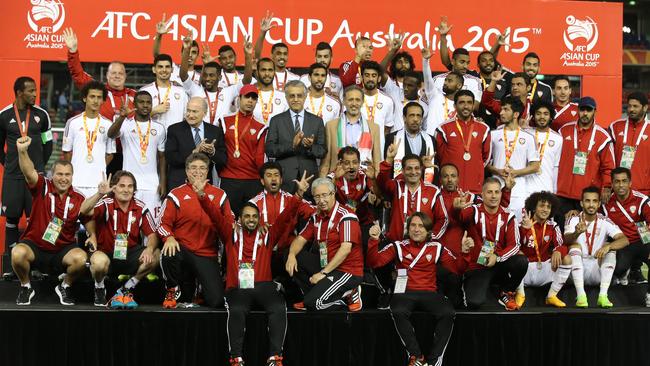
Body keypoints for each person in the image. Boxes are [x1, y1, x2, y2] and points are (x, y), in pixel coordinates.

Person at [202, 174, 309, 366]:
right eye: (247, 216)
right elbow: (215, 215)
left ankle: (275, 357)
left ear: (259, 219)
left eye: (254, 216)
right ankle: (236, 357)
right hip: (238, 289)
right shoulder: (230, 233)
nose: (251, 220)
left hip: (263, 287)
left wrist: (299, 194)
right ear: (240, 219)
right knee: (236, 309)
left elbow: (285, 217)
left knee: (278, 307)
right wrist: (202, 195)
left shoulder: (268, 234)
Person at [367, 213, 458, 366]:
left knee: (448, 312)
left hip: (429, 292)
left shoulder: (437, 247)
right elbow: (375, 262)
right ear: (407, 229)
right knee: (397, 310)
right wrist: (373, 241)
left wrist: (466, 253)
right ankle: (416, 356)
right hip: (405, 293)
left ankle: (435, 360)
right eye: (413, 225)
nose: (416, 229)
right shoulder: (398, 246)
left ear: (428, 231)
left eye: (421, 226)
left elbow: (457, 268)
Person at [11, 136, 90, 305]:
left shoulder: (78, 197)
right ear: (51, 175)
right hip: (35, 246)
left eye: (67, 174)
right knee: (17, 253)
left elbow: (87, 218)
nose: (63, 178)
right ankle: (26, 286)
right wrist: (22, 151)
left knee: (82, 259)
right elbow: (28, 171)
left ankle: (65, 286)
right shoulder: (43, 186)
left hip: (62, 250)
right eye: (59, 174)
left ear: (72, 176)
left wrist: (94, 235)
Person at [158, 153, 234, 308]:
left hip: (207, 253)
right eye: (193, 168)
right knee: (168, 250)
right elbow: (162, 223)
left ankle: (199, 289)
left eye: (202, 168)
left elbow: (229, 223)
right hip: (183, 249)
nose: (197, 171)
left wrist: (233, 226)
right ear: (186, 171)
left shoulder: (219, 195)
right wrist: (169, 238)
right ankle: (172, 288)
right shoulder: (176, 194)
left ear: (207, 171)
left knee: (216, 301)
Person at [80, 170, 159, 308]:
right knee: (98, 263)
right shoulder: (106, 202)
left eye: (130, 186)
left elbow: (152, 235)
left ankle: (128, 287)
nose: (126, 190)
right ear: (114, 188)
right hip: (106, 252)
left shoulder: (140, 207)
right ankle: (99, 287)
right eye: (122, 186)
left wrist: (149, 249)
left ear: (134, 189)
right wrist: (100, 194)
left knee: (157, 255)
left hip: (130, 253)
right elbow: (83, 210)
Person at [0, 77, 53, 275]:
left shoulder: (42, 115)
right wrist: (9, 165)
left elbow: (48, 143)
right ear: (19, 92)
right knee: (12, 219)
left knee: (36, 220)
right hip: (13, 177)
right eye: (31, 91)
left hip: (35, 177)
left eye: (35, 90)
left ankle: (36, 265)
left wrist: (39, 167)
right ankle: (12, 266)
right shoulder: (4, 115)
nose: (35, 94)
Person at [285, 178, 363, 311]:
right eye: (317, 196)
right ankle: (315, 294)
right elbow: (300, 239)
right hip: (326, 264)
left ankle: (349, 293)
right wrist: (291, 255)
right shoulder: (316, 216)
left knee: (313, 304)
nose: (321, 200)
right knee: (292, 256)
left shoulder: (346, 216)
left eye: (325, 195)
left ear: (333, 194)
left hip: (347, 270)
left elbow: (345, 249)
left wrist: (323, 273)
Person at [454, 177, 528, 310]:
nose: (493, 196)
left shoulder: (508, 216)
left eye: (497, 192)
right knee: (474, 302)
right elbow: (460, 217)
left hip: (499, 264)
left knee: (521, 261)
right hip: (478, 266)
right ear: (482, 194)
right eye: (489, 192)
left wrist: (497, 257)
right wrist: (457, 208)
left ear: (501, 194)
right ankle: (476, 286)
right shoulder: (474, 211)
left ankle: (505, 291)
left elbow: (515, 245)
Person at [564, 186, 628, 308]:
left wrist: (608, 247)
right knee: (574, 246)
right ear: (581, 203)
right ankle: (581, 295)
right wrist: (576, 233)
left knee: (610, 247)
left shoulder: (605, 220)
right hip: (576, 272)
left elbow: (624, 239)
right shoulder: (573, 219)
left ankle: (603, 296)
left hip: (596, 271)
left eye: (594, 201)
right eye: (587, 201)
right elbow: (565, 240)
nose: (591, 204)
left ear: (599, 204)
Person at [107, 91, 167, 218]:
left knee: (152, 225)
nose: (145, 105)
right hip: (129, 186)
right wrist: (122, 116)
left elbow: (162, 157)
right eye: (141, 102)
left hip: (152, 185)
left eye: (148, 102)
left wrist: (162, 182)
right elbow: (111, 134)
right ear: (134, 105)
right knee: (129, 222)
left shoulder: (160, 128)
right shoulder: (125, 125)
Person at [376, 140, 446, 242]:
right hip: (397, 246)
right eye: (409, 169)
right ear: (403, 171)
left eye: (417, 168)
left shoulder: (433, 191)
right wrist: (389, 160)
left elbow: (443, 218)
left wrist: (432, 236)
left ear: (421, 170)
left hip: (423, 248)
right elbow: (381, 182)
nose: (413, 172)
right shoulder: (396, 186)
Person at [556, 97, 614, 217]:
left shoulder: (603, 137)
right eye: (582, 110)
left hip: (587, 196)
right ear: (578, 110)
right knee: (562, 230)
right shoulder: (564, 130)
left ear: (595, 112)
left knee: (584, 232)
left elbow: (608, 167)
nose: (585, 113)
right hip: (562, 193)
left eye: (589, 110)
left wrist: (607, 187)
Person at [62, 27, 136, 121]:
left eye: (120, 73)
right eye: (113, 73)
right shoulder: (98, 91)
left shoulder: (134, 95)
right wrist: (73, 52)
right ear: (107, 75)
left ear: (125, 76)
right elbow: (78, 75)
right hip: (100, 135)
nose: (117, 76)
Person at [266, 80, 326, 193]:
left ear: (305, 96)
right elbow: (269, 150)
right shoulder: (276, 120)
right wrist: (292, 145)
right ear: (286, 97)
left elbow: (322, 151)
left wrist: (310, 147)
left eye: (299, 95)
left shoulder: (317, 121)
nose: (296, 99)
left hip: (309, 180)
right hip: (284, 179)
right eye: (292, 96)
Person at [179, 35, 254, 124]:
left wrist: (248, 55)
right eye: (205, 75)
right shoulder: (196, 90)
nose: (207, 78)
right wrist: (186, 50)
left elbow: (246, 81)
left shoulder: (227, 92)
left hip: (221, 134)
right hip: (201, 133)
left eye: (211, 75)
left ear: (219, 77)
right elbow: (183, 75)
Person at [487, 97, 540, 219]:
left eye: (506, 110)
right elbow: (485, 163)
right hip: (496, 189)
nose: (501, 113)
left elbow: (535, 166)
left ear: (515, 114)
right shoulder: (493, 134)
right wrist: (498, 171)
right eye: (501, 109)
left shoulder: (528, 137)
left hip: (518, 190)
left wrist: (515, 173)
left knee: (516, 225)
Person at [217, 85, 267, 217]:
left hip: (253, 180)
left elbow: (260, 156)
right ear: (239, 98)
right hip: (229, 179)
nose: (250, 101)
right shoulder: (224, 121)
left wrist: (262, 178)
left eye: (254, 98)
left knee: (252, 220)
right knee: (228, 218)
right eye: (247, 97)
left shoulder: (261, 126)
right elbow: (219, 150)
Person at [516, 192, 572, 308]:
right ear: (533, 207)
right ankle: (520, 294)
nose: (545, 209)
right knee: (517, 256)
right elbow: (515, 246)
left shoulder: (553, 225)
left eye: (548, 207)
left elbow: (561, 244)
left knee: (566, 258)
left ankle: (551, 296)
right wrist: (524, 230)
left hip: (545, 270)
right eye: (542, 205)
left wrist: (558, 251)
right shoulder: (522, 224)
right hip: (525, 271)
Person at [603, 167, 650, 302]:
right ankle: (625, 271)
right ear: (611, 184)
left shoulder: (641, 200)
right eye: (617, 182)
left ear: (630, 183)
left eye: (624, 181)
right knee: (616, 271)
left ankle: (649, 295)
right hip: (623, 244)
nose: (621, 185)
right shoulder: (606, 203)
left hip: (643, 241)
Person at [62, 80, 116, 198]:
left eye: (99, 97)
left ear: (103, 100)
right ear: (85, 98)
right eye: (92, 96)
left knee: (97, 216)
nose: (95, 101)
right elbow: (66, 151)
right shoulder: (72, 122)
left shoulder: (108, 124)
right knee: (73, 216)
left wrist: (99, 165)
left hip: (99, 184)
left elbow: (110, 154)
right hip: (76, 181)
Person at [164, 97, 227, 191]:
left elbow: (223, 159)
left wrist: (212, 152)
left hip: (205, 185)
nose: (190, 115)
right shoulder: (174, 129)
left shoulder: (215, 131)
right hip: (179, 184)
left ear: (204, 113)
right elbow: (171, 158)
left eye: (194, 111)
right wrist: (193, 152)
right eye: (188, 111)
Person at [435, 90, 492, 194]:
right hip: (450, 188)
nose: (466, 106)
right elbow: (439, 158)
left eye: (469, 102)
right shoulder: (443, 128)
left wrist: (474, 167)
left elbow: (486, 158)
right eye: (461, 102)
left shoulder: (484, 129)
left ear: (473, 105)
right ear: (455, 106)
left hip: (475, 187)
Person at [320, 85, 381, 177]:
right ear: (344, 101)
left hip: (364, 179)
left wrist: (377, 186)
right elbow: (326, 162)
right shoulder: (331, 126)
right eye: (350, 99)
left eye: (357, 100)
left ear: (362, 102)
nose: (354, 103)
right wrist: (322, 183)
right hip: (338, 179)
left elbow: (377, 161)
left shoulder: (374, 127)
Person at [608, 92, 650, 195]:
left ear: (645, 108)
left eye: (635, 106)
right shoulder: (615, 127)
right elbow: (607, 160)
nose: (631, 109)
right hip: (618, 189)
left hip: (644, 191)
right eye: (629, 106)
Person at [385, 102, 435, 180]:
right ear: (404, 118)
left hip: (424, 188)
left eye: (418, 116)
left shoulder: (431, 140)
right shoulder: (391, 138)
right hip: (399, 188)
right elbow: (387, 167)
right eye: (412, 115)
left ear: (422, 119)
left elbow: (433, 167)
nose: (415, 119)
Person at [422, 43, 464, 134]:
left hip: (450, 145)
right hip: (432, 142)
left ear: (459, 86)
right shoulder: (435, 96)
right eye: (445, 80)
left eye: (450, 81)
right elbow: (427, 78)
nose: (445, 83)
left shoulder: (462, 105)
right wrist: (425, 60)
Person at [139, 53, 188, 130]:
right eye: (160, 67)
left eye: (167, 67)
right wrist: (153, 111)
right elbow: (137, 118)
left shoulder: (182, 92)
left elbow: (187, 117)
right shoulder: (145, 91)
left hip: (175, 138)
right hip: (151, 137)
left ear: (172, 70)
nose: (164, 70)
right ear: (154, 69)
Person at [524, 101, 563, 195]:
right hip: (525, 188)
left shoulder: (558, 139)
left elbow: (556, 167)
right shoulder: (525, 134)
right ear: (533, 115)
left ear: (550, 117)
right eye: (538, 113)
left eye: (546, 114)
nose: (542, 117)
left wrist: (554, 191)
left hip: (546, 189)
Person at [152, 14, 201, 85]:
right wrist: (159, 35)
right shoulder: (173, 68)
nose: (190, 55)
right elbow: (156, 55)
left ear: (198, 56)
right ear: (181, 54)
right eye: (187, 51)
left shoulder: (200, 77)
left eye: (193, 52)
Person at [359, 61, 395, 136]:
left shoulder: (387, 100)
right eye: (367, 75)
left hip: (379, 146)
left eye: (374, 75)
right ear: (362, 77)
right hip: (357, 146)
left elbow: (387, 128)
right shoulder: (354, 98)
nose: (370, 79)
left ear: (379, 78)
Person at [253, 58, 290, 124]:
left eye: (270, 70)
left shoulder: (284, 97)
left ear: (274, 72)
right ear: (257, 72)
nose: (267, 73)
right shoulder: (250, 95)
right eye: (263, 70)